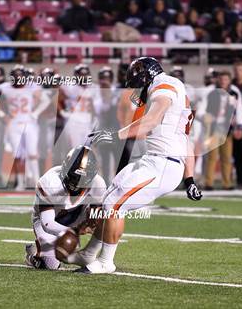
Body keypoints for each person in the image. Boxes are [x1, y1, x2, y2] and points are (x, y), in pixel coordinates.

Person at [66, 57, 202, 274]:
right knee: (107, 200)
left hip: (163, 164)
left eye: (139, 84)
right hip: (156, 159)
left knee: (114, 204)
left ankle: (106, 262)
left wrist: (115, 135)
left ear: (148, 78)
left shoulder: (164, 86)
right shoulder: (176, 92)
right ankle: (89, 253)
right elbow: (186, 139)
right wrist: (190, 179)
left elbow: (151, 121)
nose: (138, 91)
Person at [25, 145, 106, 270]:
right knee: (50, 265)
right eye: (74, 177)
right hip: (48, 220)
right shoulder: (50, 182)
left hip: (77, 215)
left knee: (107, 216)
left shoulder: (98, 184)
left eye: (82, 179)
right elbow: (48, 223)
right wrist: (74, 232)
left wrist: (91, 222)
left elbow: (97, 215)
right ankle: (32, 254)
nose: (76, 184)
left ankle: (91, 255)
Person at [203, 70, 242, 190]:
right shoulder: (212, 92)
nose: (223, 82)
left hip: (227, 129)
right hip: (214, 128)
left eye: (225, 79)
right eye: (221, 79)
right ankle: (209, 183)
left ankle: (227, 183)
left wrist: (240, 126)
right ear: (218, 80)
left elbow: (239, 109)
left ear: (229, 81)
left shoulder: (234, 92)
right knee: (212, 158)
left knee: (226, 158)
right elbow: (205, 110)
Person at [93, 66, 120, 183]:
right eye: (103, 78)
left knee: (117, 160)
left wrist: (108, 93)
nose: (105, 80)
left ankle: (118, 184)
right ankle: (106, 185)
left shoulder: (116, 92)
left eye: (107, 78)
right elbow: (99, 111)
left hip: (115, 130)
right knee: (104, 162)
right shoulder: (96, 94)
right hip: (102, 130)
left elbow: (114, 107)